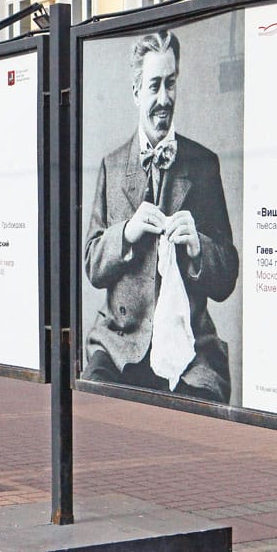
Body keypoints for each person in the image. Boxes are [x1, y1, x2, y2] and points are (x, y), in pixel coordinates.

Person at [81, 30, 238, 403]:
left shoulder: (203, 165)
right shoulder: (113, 165)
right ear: (136, 92)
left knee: (204, 423)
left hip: (189, 351)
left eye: (171, 84)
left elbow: (227, 276)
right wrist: (126, 233)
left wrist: (200, 246)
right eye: (154, 86)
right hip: (120, 344)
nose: (164, 99)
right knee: (88, 405)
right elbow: (92, 265)